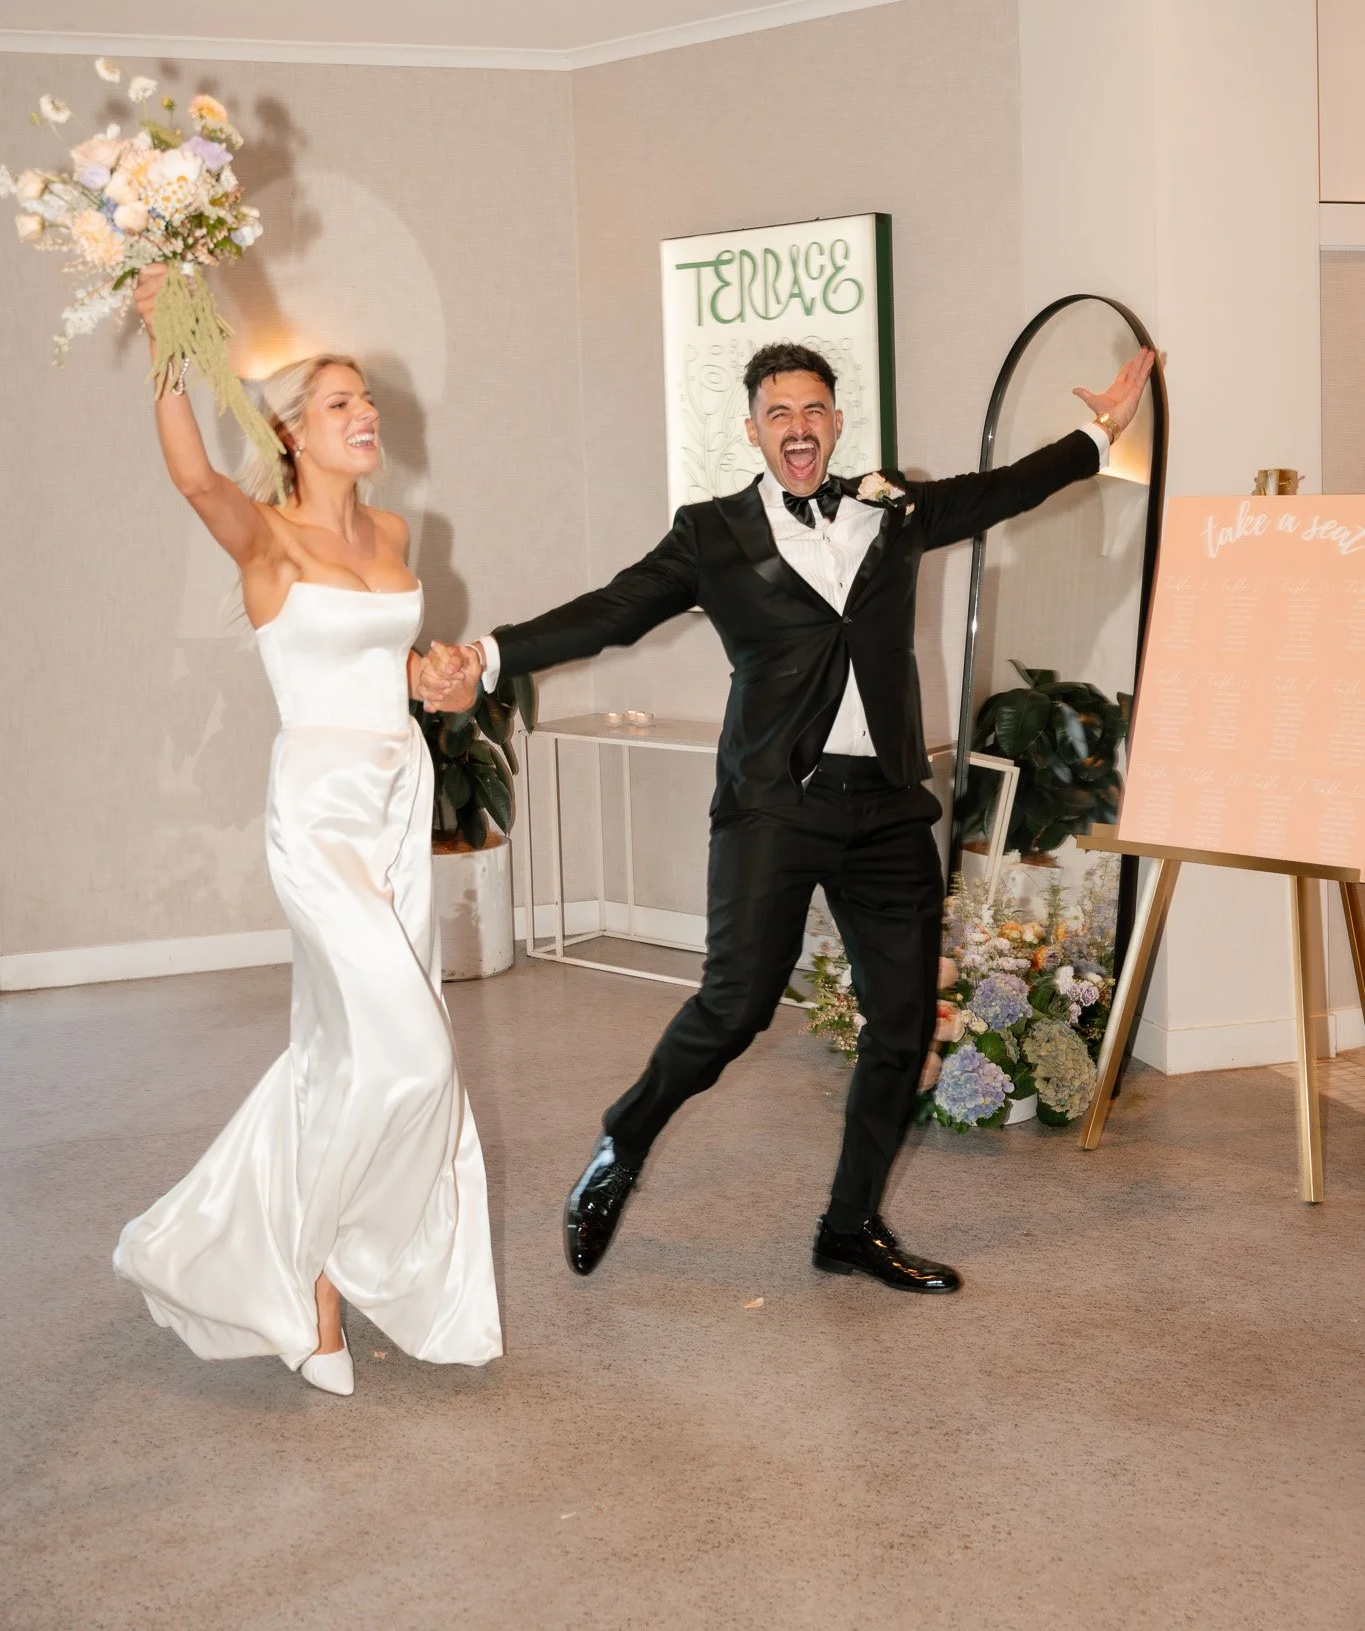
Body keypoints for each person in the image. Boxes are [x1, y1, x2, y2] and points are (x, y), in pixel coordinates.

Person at [435, 339, 1154, 1296]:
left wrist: (1097, 429)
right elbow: (611, 612)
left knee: (902, 1024)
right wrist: (487, 656)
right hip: (774, 804)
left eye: (812, 411)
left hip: (890, 807)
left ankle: (849, 1227)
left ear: (837, 421)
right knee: (733, 1009)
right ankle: (625, 1139)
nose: (798, 429)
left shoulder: (894, 510)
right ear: (753, 433)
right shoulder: (711, 533)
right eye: (778, 416)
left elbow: (1009, 490)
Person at [112, 259, 502, 1395]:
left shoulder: (394, 535)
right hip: (319, 814)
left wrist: (446, 684)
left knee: (349, 1053)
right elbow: (191, 473)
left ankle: (300, 1261)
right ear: (290, 434)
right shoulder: (266, 540)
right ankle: (314, 1269)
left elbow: (409, 672)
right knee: (413, 1048)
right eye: (338, 402)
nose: (364, 412)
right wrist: (166, 337)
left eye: (366, 395)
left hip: (396, 799)